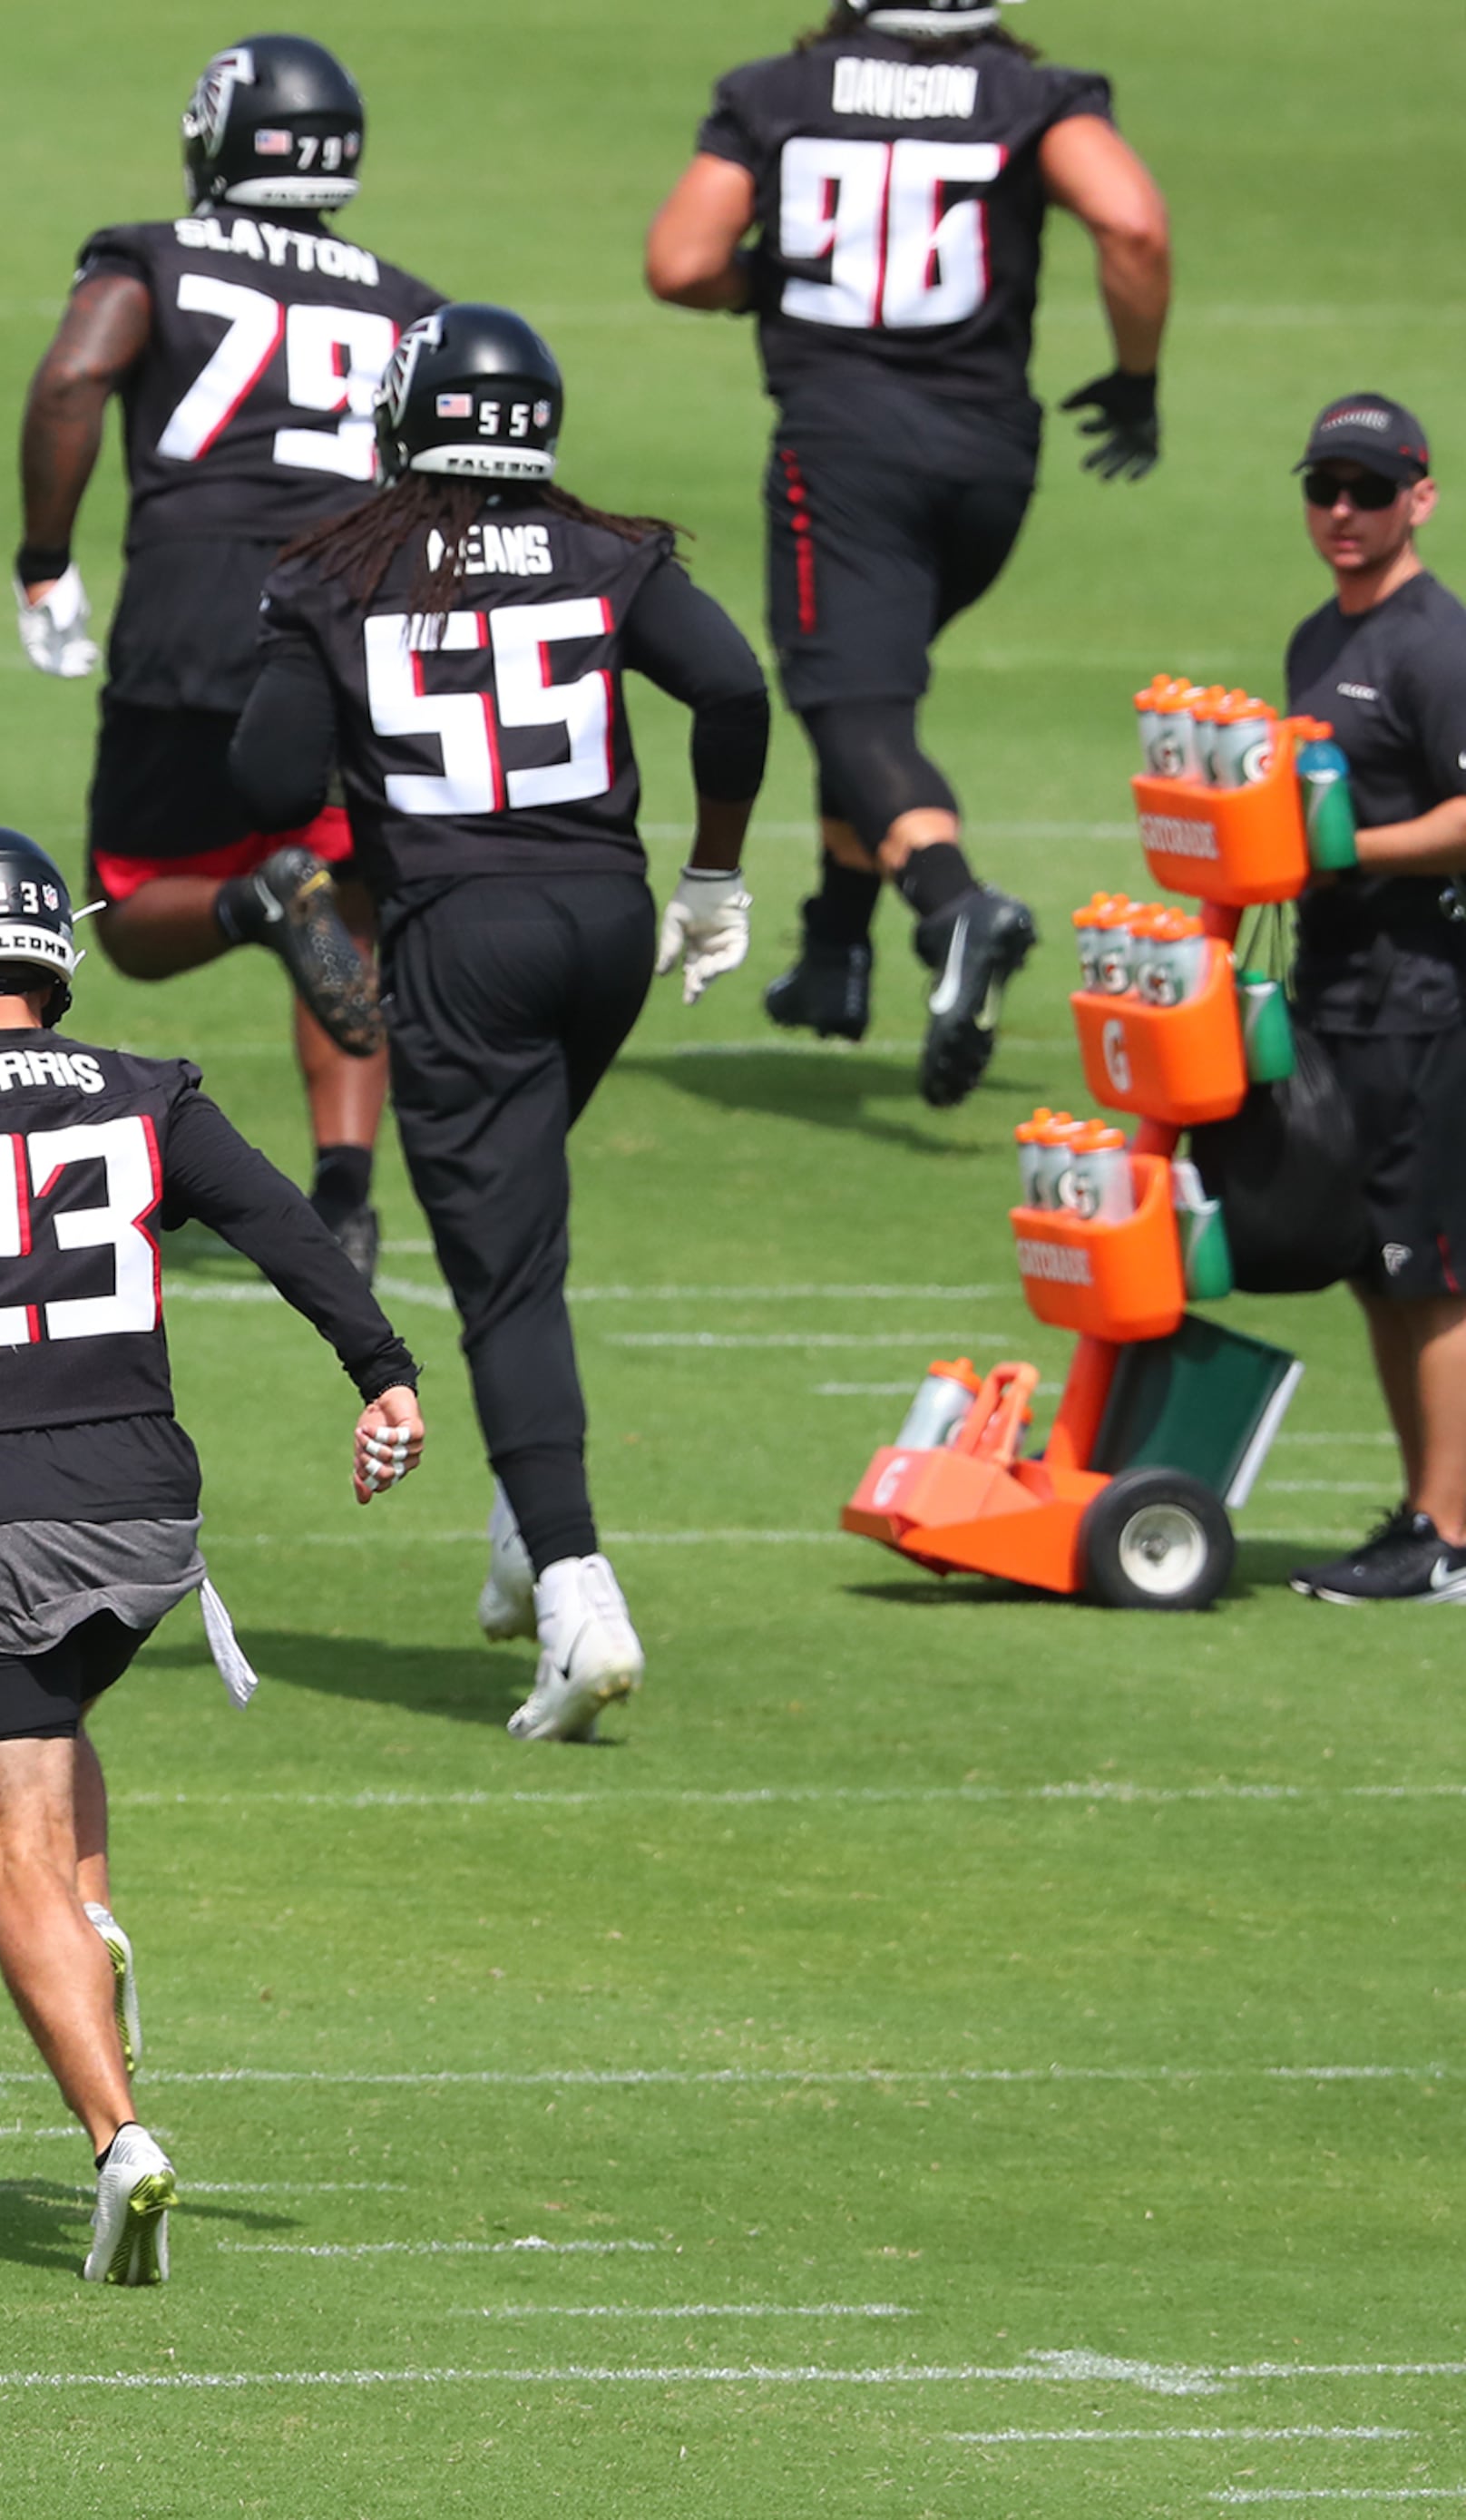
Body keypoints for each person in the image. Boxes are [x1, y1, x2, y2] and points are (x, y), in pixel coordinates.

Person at [0, 825, 423, 2285]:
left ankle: (116, 2134)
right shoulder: (148, 1089)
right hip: (146, 1521)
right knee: (51, 1720)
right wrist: (382, 1373)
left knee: (3, 1842)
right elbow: (286, 1226)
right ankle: (93, 1914)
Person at [230, 305, 771, 1741]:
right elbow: (730, 684)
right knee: (519, 1220)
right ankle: (533, 1527)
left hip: (462, 937)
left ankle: (580, 1594)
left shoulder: (340, 568)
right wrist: (714, 876)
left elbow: (269, 773)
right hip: (602, 921)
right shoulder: (606, 549)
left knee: (505, 1275)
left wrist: (308, 663)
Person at [645, 0, 1168, 1107]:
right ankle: (835, 952)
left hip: (845, 450)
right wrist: (1135, 380)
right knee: (868, 681)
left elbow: (682, 261)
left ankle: (951, 905)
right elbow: (1132, 225)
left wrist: (767, 283)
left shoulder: (778, 93)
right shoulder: (1035, 95)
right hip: (990, 461)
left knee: (851, 703)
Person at [17, 34, 445, 1271]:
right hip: (355, 608)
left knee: (138, 903)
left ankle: (256, 905)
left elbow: (71, 381)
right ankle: (349, 1201)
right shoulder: (405, 300)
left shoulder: (153, 255)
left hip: (194, 599)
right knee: (352, 904)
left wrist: (45, 554)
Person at [1267, 398, 1466, 1605]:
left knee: (1430, 1266)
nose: (1344, 511)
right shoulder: (1319, 637)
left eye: (1370, 489)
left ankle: (1448, 1532)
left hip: (1425, 1002)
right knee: (1374, 1261)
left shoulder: (1435, 647)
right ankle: (1421, 1506)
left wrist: (1350, 851)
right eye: (1326, 486)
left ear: (1420, 499)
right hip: (1340, 998)